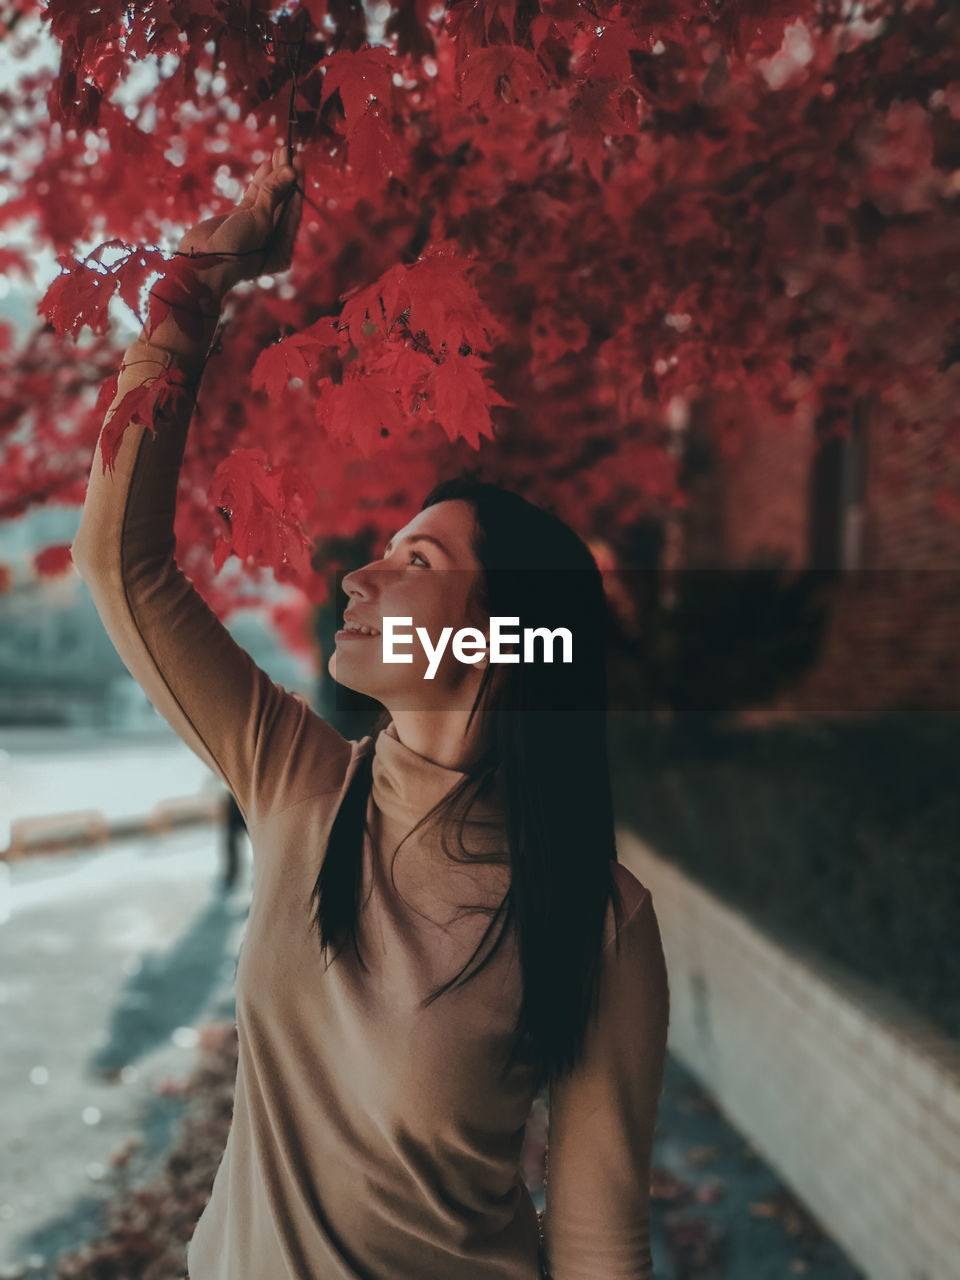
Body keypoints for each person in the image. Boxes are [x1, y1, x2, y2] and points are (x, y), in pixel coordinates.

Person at [71, 145, 670, 1280]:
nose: (360, 577)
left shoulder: (599, 921)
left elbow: (597, 1238)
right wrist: (194, 288)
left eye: (419, 559)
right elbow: (121, 559)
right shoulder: (300, 781)